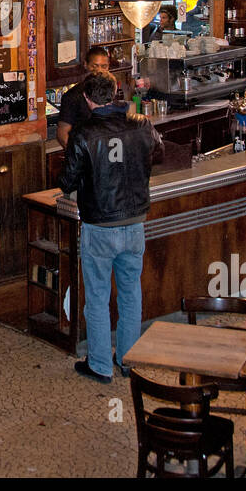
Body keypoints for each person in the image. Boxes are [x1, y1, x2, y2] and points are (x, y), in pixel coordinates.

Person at [58, 70, 162, 383]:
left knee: (98, 296)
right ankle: (128, 359)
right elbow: (159, 154)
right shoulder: (141, 124)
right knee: (131, 293)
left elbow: (67, 181)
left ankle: (100, 364)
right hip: (134, 222)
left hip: (99, 224)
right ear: (115, 91)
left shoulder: (83, 133)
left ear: (87, 99)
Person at [56, 46, 111, 147]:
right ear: (86, 65)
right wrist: (78, 156)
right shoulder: (72, 96)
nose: (99, 71)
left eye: (104, 66)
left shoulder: (110, 91)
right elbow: (62, 134)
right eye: (94, 66)